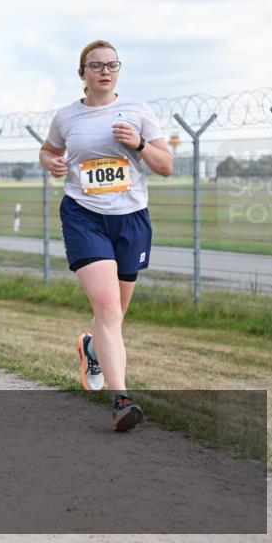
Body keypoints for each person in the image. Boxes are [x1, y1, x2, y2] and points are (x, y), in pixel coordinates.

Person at [39, 40, 173, 432]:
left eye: (112, 64)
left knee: (114, 317)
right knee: (108, 309)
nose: (105, 71)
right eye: (96, 65)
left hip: (131, 220)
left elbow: (166, 166)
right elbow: (46, 151)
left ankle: (91, 349)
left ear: (118, 70)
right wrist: (54, 163)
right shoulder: (67, 117)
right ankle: (122, 401)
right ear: (82, 73)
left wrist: (140, 144)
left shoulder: (138, 112)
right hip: (84, 216)